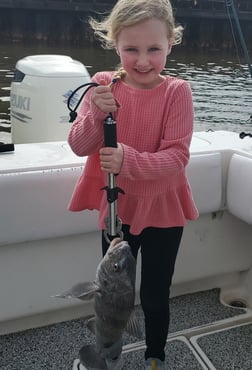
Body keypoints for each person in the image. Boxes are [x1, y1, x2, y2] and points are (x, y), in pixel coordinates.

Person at [68, 0, 198, 369]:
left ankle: (155, 355)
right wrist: (95, 109)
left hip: (164, 211)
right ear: (115, 45)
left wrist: (128, 159)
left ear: (170, 43)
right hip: (117, 210)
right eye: (131, 50)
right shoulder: (103, 85)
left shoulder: (178, 92)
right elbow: (79, 146)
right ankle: (107, 355)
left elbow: (176, 157)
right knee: (110, 296)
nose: (142, 61)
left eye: (154, 49)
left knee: (156, 295)